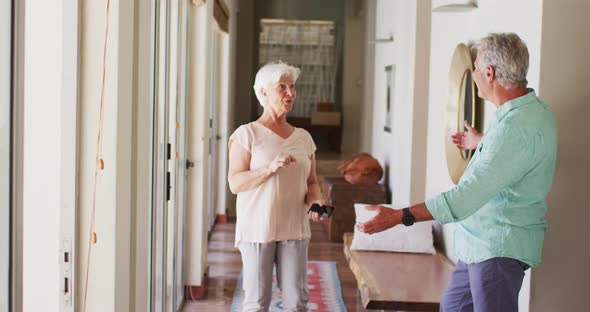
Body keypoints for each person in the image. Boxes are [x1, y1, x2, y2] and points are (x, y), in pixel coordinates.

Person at [356, 33, 558, 312]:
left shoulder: (514, 129)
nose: (473, 73)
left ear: (489, 73)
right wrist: (482, 142)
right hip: (478, 245)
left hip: (496, 249)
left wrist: (398, 216)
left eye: (475, 67)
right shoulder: (532, 112)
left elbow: (463, 199)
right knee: (452, 307)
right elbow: (517, 159)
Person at [227, 61, 324, 312]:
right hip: (258, 228)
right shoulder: (246, 134)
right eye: (282, 87)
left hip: (294, 227)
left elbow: (312, 183)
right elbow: (235, 183)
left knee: (297, 302)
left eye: (292, 86)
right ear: (263, 92)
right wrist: (269, 169)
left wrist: (316, 202)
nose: (290, 93)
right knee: (257, 302)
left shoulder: (303, 138)